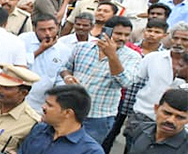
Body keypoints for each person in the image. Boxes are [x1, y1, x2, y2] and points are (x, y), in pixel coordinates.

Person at [59, 16, 141, 144]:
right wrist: (68, 77)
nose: (122, 38)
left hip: (98, 117)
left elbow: (124, 82)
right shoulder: (82, 47)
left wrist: (112, 55)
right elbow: (65, 68)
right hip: (70, 110)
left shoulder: (132, 57)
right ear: (106, 32)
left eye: (126, 35)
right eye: (118, 33)